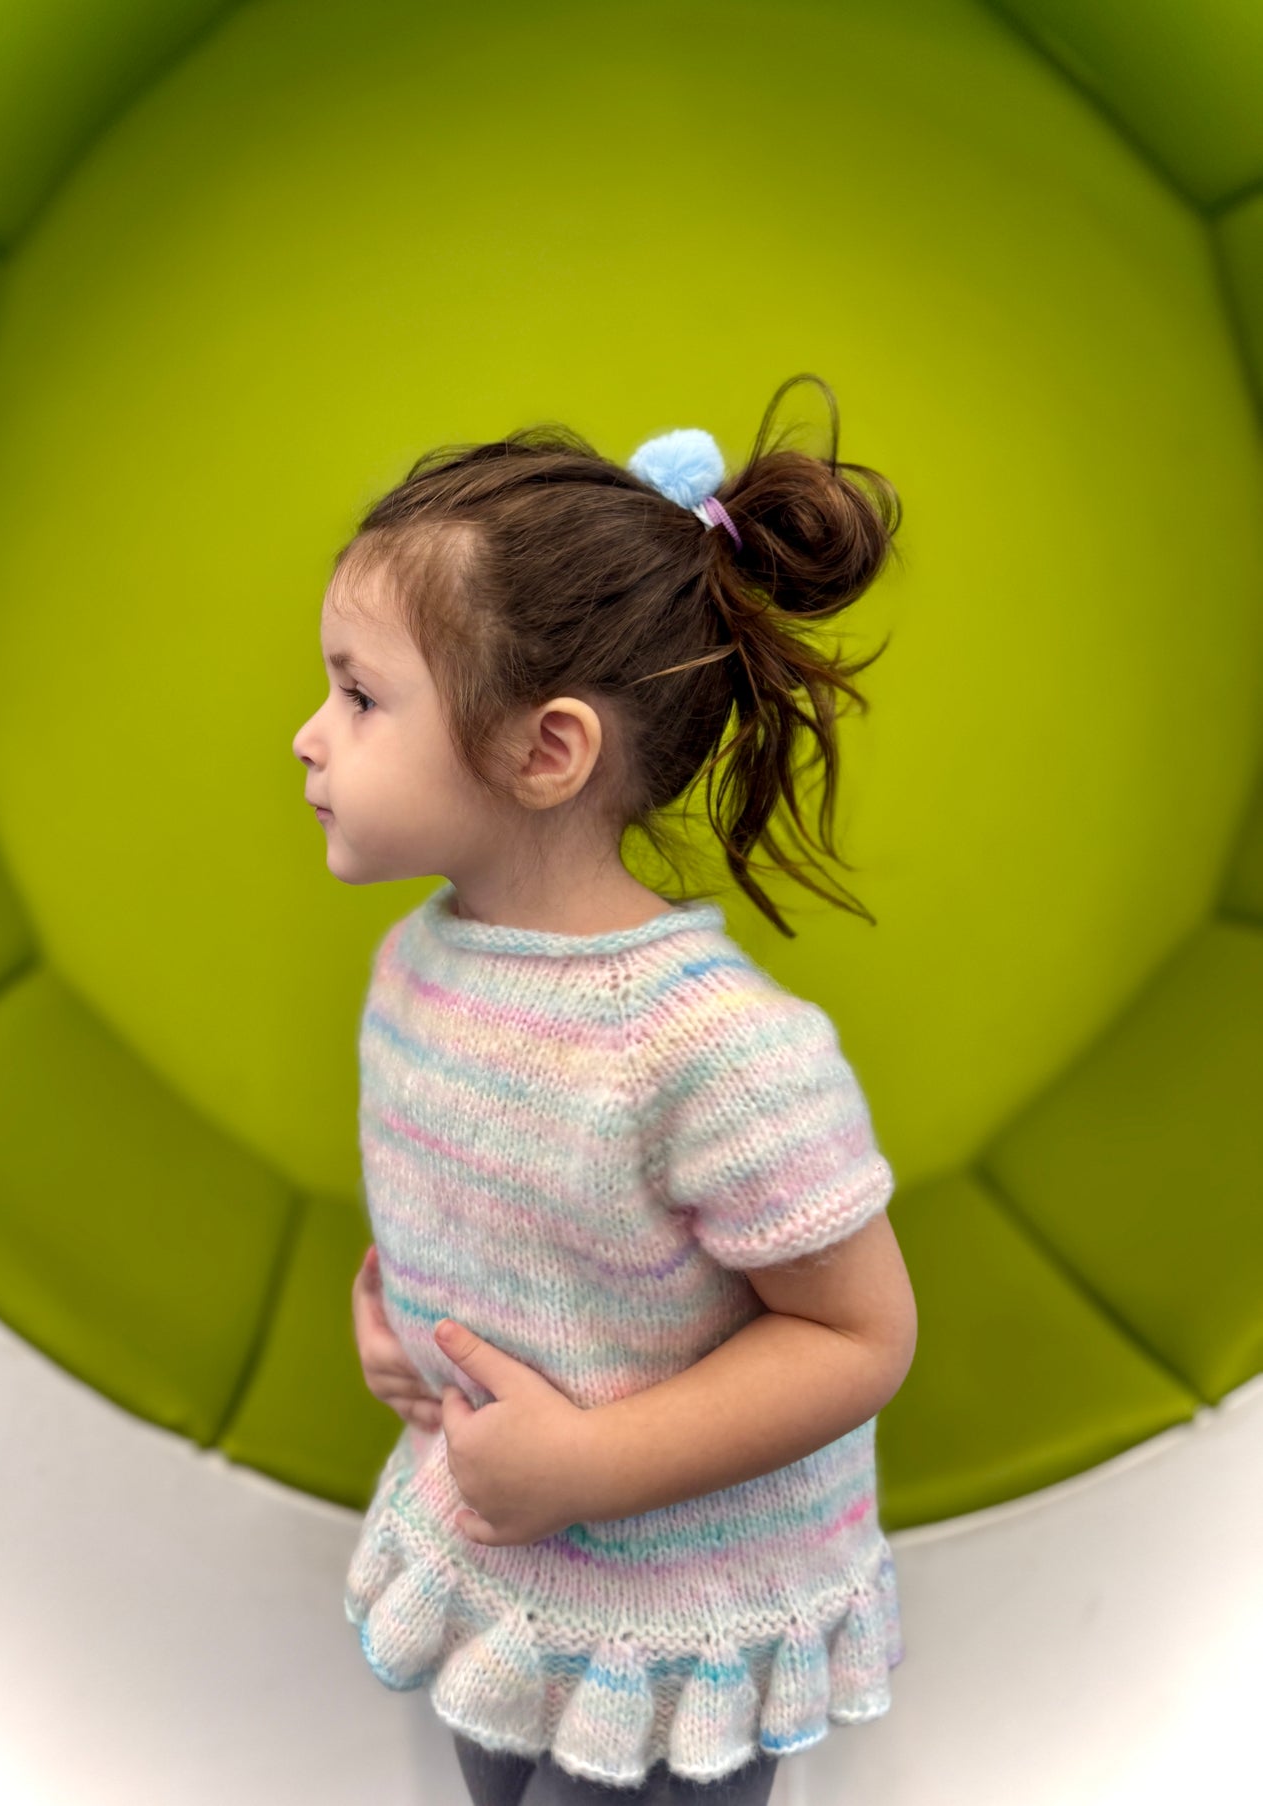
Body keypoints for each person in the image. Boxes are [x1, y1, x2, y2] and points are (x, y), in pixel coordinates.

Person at [293, 374, 917, 1805]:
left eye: (359, 693)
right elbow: (486, 1208)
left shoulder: (712, 1054)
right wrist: (389, 1309)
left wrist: (583, 1462)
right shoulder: (419, 965)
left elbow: (857, 1335)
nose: (308, 736)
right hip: (504, 1561)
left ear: (545, 748)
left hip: (667, 1621)